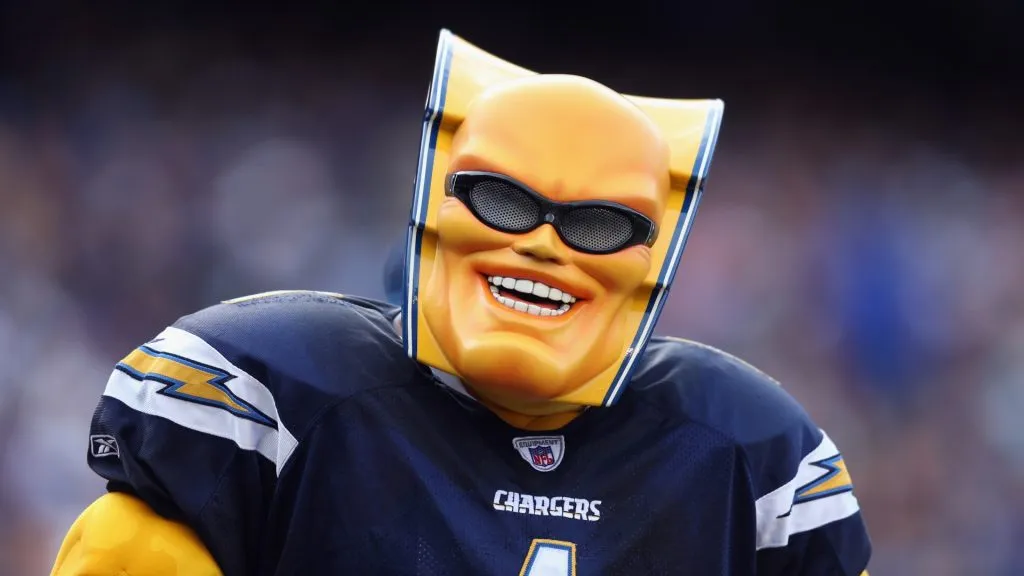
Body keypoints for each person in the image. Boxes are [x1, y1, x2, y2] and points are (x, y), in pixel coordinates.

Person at [51, 30, 871, 575]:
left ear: (652, 256)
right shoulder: (272, 387)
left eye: (594, 225)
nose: (544, 246)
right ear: (438, 206)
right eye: (505, 204)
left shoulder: (751, 457)